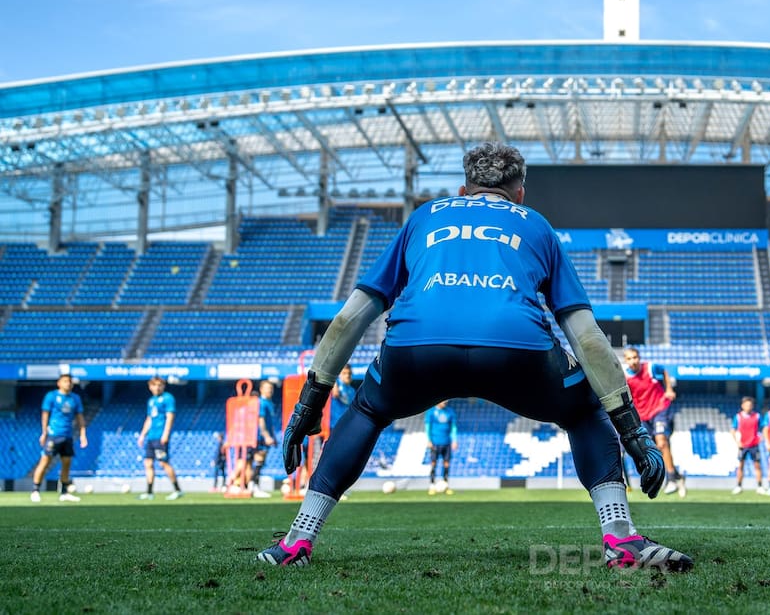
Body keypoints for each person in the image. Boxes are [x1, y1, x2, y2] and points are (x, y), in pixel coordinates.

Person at [258, 143, 690, 571]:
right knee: (584, 409)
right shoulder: (536, 225)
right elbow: (588, 339)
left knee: (368, 410)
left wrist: (310, 405)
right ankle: (620, 537)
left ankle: (298, 539)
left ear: (464, 190)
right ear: (520, 193)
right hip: (516, 350)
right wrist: (633, 434)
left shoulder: (425, 217)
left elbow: (350, 318)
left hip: (416, 349)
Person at [623, 346, 686, 497]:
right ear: (625, 361)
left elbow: (664, 371)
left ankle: (670, 479)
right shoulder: (624, 376)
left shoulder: (650, 367)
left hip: (660, 408)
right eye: (629, 358)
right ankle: (678, 476)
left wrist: (669, 389)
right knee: (653, 449)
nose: (633, 361)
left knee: (661, 441)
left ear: (639, 357)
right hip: (642, 416)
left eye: (635, 357)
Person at [31, 373, 87, 503]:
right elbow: (45, 415)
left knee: (66, 463)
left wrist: (83, 434)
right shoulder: (51, 396)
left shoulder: (75, 399)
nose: (68, 384)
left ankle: (64, 492)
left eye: (70, 381)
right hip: (53, 435)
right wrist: (44, 432)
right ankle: (35, 490)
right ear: (59, 383)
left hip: (67, 436)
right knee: (45, 461)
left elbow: (80, 418)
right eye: (65, 381)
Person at [136, 376, 183, 500]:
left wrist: (166, 434)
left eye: (160, 385)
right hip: (151, 437)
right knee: (148, 463)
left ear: (163, 386)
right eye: (154, 385)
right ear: (150, 387)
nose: (157, 387)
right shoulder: (151, 401)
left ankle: (178, 490)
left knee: (163, 463)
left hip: (160, 437)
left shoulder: (168, 398)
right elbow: (149, 419)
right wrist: (142, 435)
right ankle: (149, 492)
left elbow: (170, 416)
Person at [246, 380, 278, 499]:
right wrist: (266, 436)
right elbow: (261, 420)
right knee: (259, 459)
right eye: (267, 388)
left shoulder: (270, 403)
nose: (270, 390)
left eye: (271, 388)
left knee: (260, 460)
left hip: (266, 435)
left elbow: (270, 422)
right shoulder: (261, 402)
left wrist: (273, 436)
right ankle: (253, 486)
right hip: (259, 436)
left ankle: (253, 485)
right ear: (261, 389)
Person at [730, 396, 765, 495]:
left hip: (754, 444)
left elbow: (763, 428)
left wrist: (761, 437)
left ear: (752, 406)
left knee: (757, 466)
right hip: (743, 445)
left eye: (750, 405)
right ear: (742, 406)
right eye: (746, 405)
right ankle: (738, 486)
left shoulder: (757, 416)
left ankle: (759, 486)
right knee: (741, 465)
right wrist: (737, 442)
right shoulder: (738, 417)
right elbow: (733, 430)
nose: (748, 407)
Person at [425, 400, 458, 495]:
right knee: (433, 463)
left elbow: (453, 427)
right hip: (435, 442)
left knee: (446, 464)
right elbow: (428, 426)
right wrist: (429, 440)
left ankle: (446, 485)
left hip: (446, 442)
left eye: (447, 400)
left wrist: (454, 440)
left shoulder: (450, 411)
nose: (445, 401)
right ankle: (432, 485)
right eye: (444, 399)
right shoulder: (431, 412)